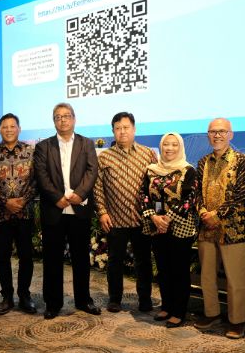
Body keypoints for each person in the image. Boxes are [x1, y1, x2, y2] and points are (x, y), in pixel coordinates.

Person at [33, 102, 101, 319]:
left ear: (74, 118)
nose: (62, 120)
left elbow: (92, 171)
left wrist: (80, 194)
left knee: (81, 258)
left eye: (66, 116)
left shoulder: (86, 143)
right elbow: (41, 175)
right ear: (54, 121)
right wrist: (57, 198)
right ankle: (53, 303)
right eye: (57, 117)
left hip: (79, 209)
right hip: (54, 210)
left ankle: (84, 300)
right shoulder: (44, 146)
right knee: (52, 259)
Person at [93, 112, 157, 313]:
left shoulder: (148, 154)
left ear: (134, 129)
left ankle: (145, 299)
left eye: (126, 127)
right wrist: (102, 212)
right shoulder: (105, 157)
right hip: (115, 219)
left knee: (143, 261)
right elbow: (97, 187)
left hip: (142, 219)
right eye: (118, 128)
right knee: (114, 262)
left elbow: (156, 185)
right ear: (113, 131)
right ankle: (115, 299)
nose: (122, 131)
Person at [193, 118, 245, 339]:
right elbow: (196, 193)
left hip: (233, 229)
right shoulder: (202, 162)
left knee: (236, 278)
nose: (217, 135)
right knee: (207, 275)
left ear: (231, 135)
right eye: (213, 132)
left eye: (222, 131)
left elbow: (240, 194)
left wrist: (218, 215)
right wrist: (203, 213)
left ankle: (237, 320)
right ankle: (211, 313)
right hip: (206, 228)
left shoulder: (242, 161)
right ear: (208, 135)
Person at [0, 113, 37, 315]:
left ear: (19, 129)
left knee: (26, 256)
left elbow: (38, 180)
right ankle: (7, 296)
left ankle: (24, 295)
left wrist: (22, 201)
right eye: (4, 126)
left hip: (25, 214)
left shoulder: (31, 152)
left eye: (12, 126)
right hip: (1, 215)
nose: (9, 129)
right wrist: (6, 202)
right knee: (2, 257)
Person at [141, 133, 198, 328]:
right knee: (163, 269)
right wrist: (155, 218)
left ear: (180, 147)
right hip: (158, 227)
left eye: (174, 144)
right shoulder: (151, 171)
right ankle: (166, 306)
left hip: (180, 227)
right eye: (166, 144)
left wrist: (167, 219)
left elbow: (189, 199)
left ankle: (179, 311)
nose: (170, 148)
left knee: (179, 271)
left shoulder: (188, 170)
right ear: (161, 146)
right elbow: (145, 196)